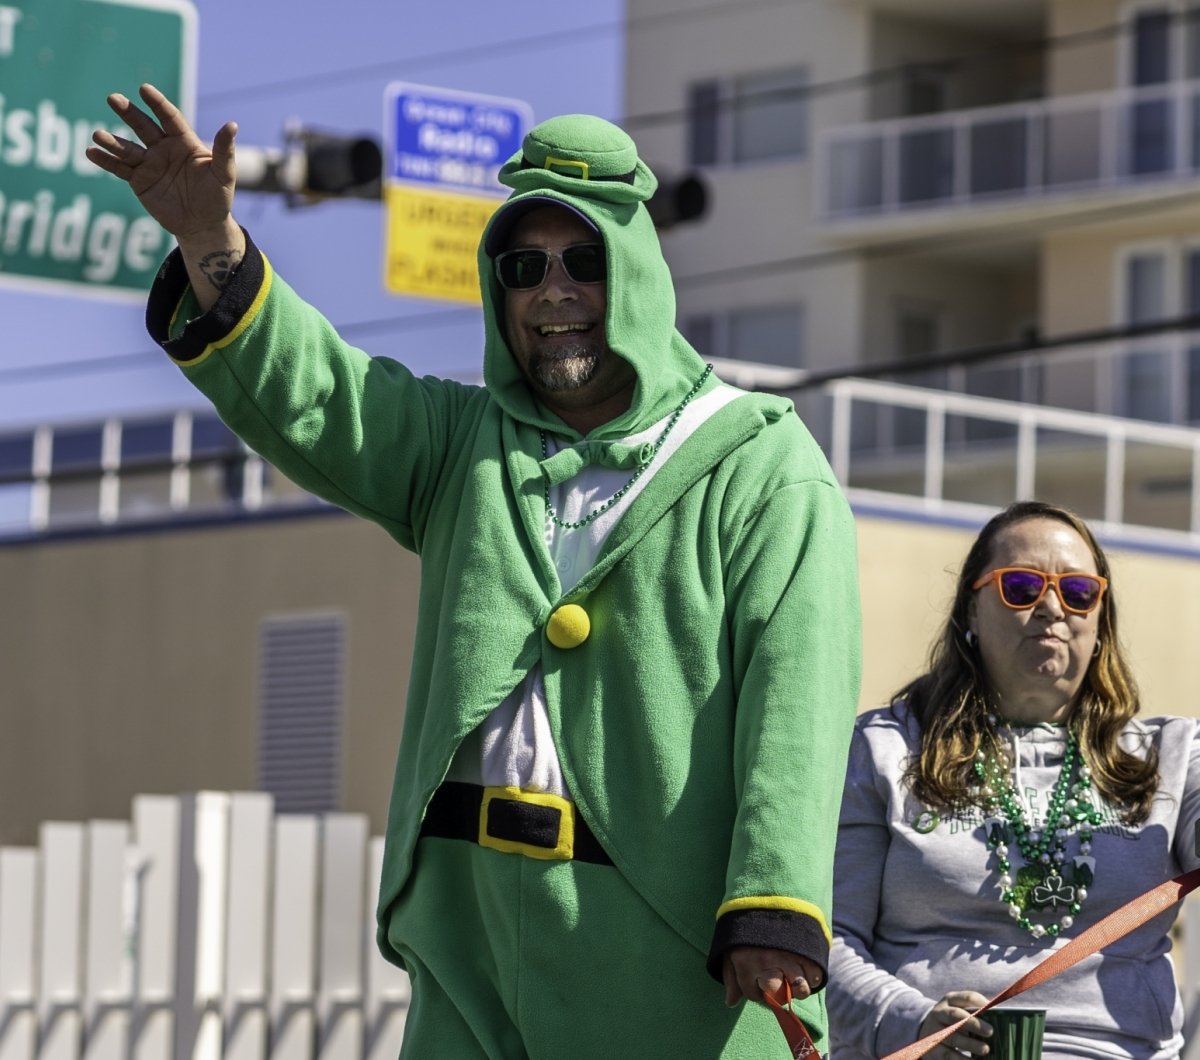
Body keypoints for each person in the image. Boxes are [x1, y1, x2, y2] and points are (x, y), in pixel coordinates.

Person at [87, 85, 862, 1057]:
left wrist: (774, 901)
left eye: (585, 262)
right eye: (523, 267)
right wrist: (211, 237)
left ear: (639, 272)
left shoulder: (759, 462)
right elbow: (322, 392)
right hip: (469, 928)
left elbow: (801, 695)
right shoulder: (464, 446)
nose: (555, 292)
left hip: (662, 941)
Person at [827, 499, 1200, 1058]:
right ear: (971, 612)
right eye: (1021, 586)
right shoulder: (886, 747)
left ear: (1101, 622)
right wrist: (910, 1021)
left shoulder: (1174, 754)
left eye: (1078, 592)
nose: (1052, 607)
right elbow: (823, 936)